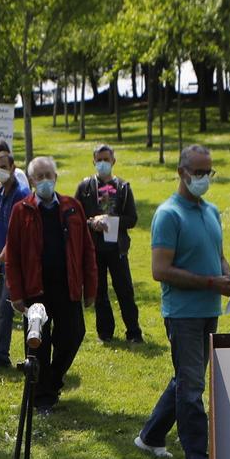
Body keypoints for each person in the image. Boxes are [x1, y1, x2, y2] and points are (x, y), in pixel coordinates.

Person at [134, 145, 230, 459]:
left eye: (208, 172)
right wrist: (212, 282)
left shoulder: (211, 211)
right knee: (192, 384)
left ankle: (150, 436)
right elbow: (160, 270)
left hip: (209, 309)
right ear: (182, 172)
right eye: (198, 172)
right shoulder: (168, 214)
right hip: (183, 313)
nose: (204, 178)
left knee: (186, 377)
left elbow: (218, 254)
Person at [3, 156, 95, 413]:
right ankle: (41, 396)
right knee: (37, 345)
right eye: (39, 177)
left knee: (73, 334)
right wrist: (17, 293)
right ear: (31, 181)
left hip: (68, 286)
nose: (44, 181)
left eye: (48, 175)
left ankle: (53, 380)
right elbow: (13, 256)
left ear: (56, 177)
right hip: (35, 290)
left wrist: (91, 287)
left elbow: (87, 250)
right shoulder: (21, 210)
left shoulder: (73, 207)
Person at [76, 144, 143, 341]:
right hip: (94, 248)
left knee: (125, 290)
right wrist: (92, 222)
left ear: (113, 161)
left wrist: (112, 221)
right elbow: (76, 217)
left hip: (117, 248)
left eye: (106, 159)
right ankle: (105, 333)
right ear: (93, 161)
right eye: (99, 160)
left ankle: (134, 332)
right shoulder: (85, 187)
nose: (103, 163)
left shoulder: (123, 187)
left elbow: (132, 218)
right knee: (99, 292)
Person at [0, 146, 30, 367]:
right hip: (6, 259)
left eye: (3, 166)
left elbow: (17, 237)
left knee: (12, 306)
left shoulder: (20, 195)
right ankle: (3, 355)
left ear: (13, 168)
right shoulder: (0, 193)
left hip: (19, 260)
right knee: (7, 307)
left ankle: (7, 356)